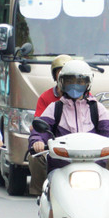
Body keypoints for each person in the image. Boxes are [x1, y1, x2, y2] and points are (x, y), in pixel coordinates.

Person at [28, 59, 109, 218]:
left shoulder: (96, 107)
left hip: (94, 164)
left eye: (80, 81)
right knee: (57, 191)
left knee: (105, 188)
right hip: (62, 164)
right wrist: (37, 141)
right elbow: (41, 128)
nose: (75, 85)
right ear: (61, 83)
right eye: (70, 80)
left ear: (87, 83)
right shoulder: (55, 108)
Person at [30, 54, 73, 195]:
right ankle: (42, 194)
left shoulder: (90, 101)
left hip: (79, 145)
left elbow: (105, 126)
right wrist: (37, 140)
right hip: (54, 143)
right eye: (61, 72)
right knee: (36, 156)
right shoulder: (47, 99)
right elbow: (40, 124)